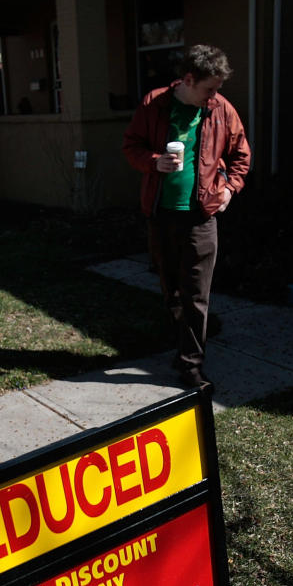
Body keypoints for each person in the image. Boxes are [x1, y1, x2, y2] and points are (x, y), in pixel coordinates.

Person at [122, 44, 250, 389]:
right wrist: (154, 162)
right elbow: (131, 145)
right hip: (161, 214)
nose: (214, 95)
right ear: (188, 79)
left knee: (196, 294)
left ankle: (191, 365)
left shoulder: (221, 110)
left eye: (218, 88)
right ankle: (183, 347)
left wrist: (229, 189)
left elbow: (241, 155)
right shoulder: (155, 104)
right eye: (209, 87)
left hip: (201, 216)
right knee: (173, 292)